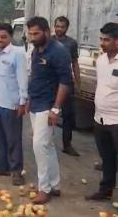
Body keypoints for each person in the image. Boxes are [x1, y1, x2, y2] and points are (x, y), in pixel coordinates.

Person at [26, 17, 72, 204]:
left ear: (46, 31)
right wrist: (29, 99)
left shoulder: (59, 52)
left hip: (48, 105)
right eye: (30, 34)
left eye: (36, 33)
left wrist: (56, 108)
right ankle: (55, 185)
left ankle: (43, 188)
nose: (32, 37)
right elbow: (35, 76)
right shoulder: (37, 49)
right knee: (48, 145)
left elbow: (65, 82)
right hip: (35, 103)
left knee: (39, 146)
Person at [0, 23, 28, 186]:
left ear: (10, 37)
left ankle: (16, 171)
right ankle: (1, 166)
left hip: (11, 103)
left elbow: (22, 79)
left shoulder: (17, 54)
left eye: (3, 37)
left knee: (13, 139)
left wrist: (22, 101)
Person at [85, 22, 118, 201]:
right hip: (100, 119)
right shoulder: (101, 61)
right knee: (107, 158)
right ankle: (105, 191)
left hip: (117, 121)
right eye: (101, 39)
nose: (102, 43)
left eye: (106, 40)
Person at [52, 16, 81, 156]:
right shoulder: (48, 41)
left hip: (67, 83)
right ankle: (46, 142)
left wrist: (78, 82)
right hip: (51, 84)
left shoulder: (72, 43)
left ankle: (67, 144)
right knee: (48, 113)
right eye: (57, 26)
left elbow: (75, 63)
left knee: (69, 114)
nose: (59, 29)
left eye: (62, 27)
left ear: (67, 28)